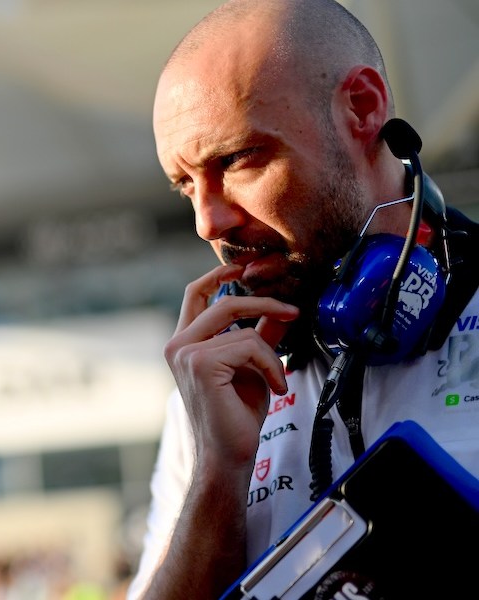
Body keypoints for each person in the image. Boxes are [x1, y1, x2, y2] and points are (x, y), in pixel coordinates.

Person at [126, 1, 479, 598]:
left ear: (362, 109)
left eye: (237, 160)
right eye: (187, 185)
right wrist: (218, 473)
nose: (207, 223)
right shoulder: (212, 388)